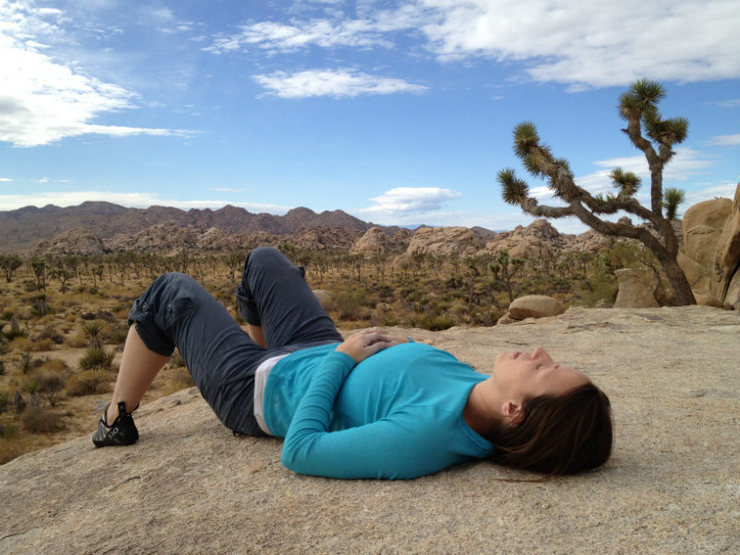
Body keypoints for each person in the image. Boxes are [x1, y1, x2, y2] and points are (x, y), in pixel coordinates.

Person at [92, 247, 612, 479]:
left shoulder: (424, 439)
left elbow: (301, 451)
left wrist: (342, 360)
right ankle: (263, 350)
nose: (541, 353)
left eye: (545, 369)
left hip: (255, 393)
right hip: (311, 351)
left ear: (516, 410)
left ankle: (116, 419)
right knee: (264, 259)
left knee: (170, 292)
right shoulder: (483, 388)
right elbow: (411, 377)